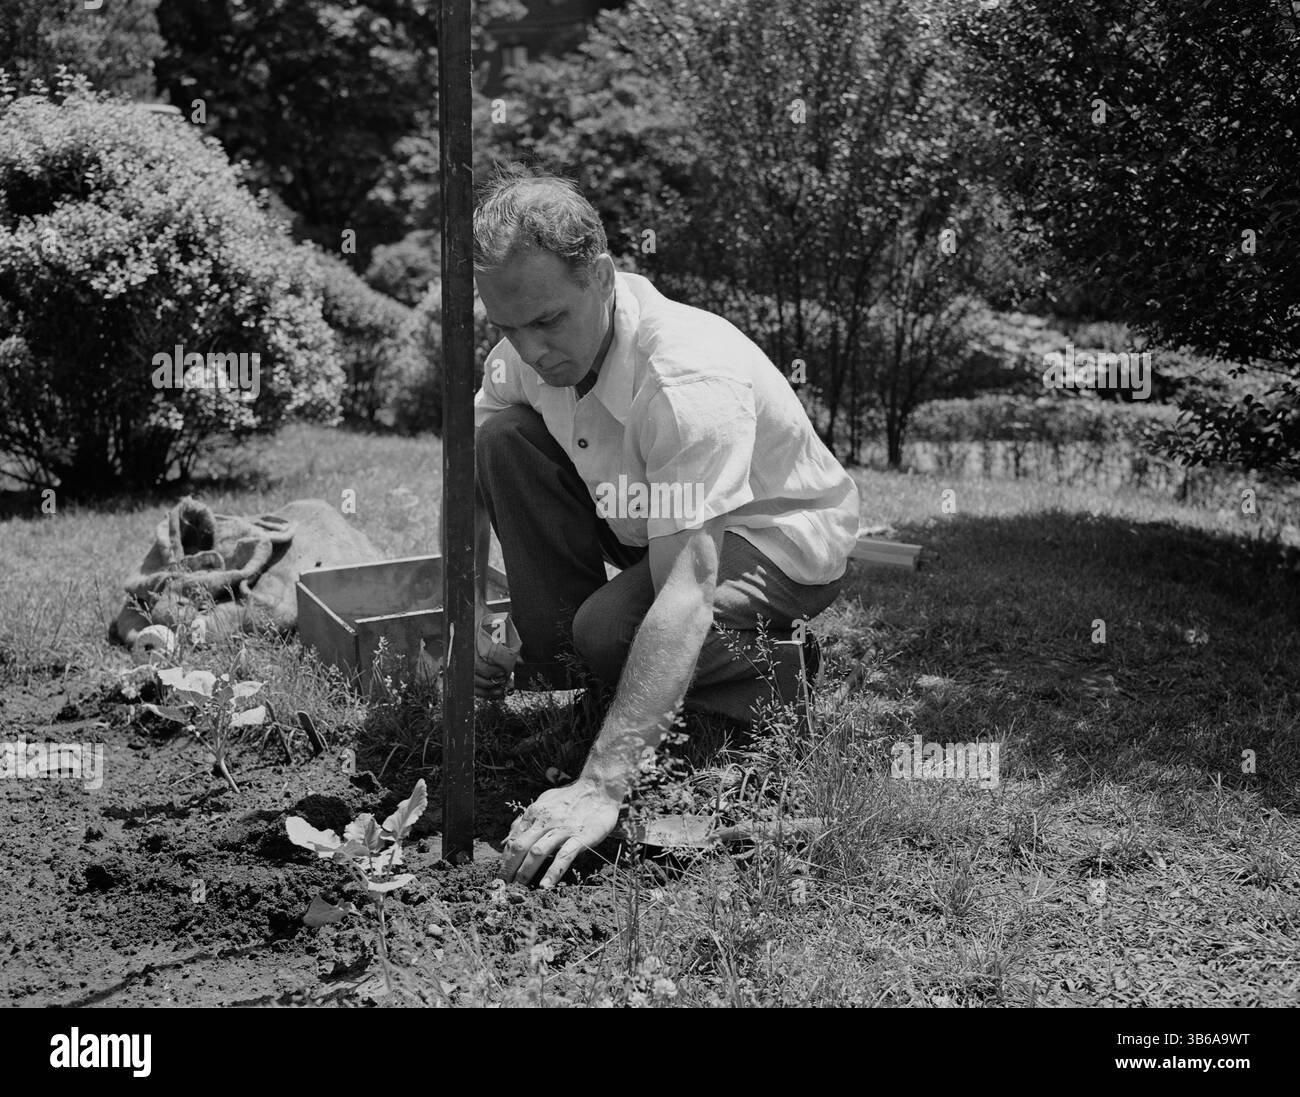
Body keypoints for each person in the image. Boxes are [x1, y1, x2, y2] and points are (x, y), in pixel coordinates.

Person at [465, 165, 860, 888]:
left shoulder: (684, 378)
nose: (530, 351)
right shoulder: (528, 356)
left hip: (774, 533)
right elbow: (473, 474)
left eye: (548, 320)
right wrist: (473, 620)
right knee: (500, 442)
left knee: (607, 631)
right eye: (508, 327)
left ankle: (776, 672)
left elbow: (688, 583)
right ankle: (589, 669)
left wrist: (602, 784)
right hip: (648, 514)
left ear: (603, 276)